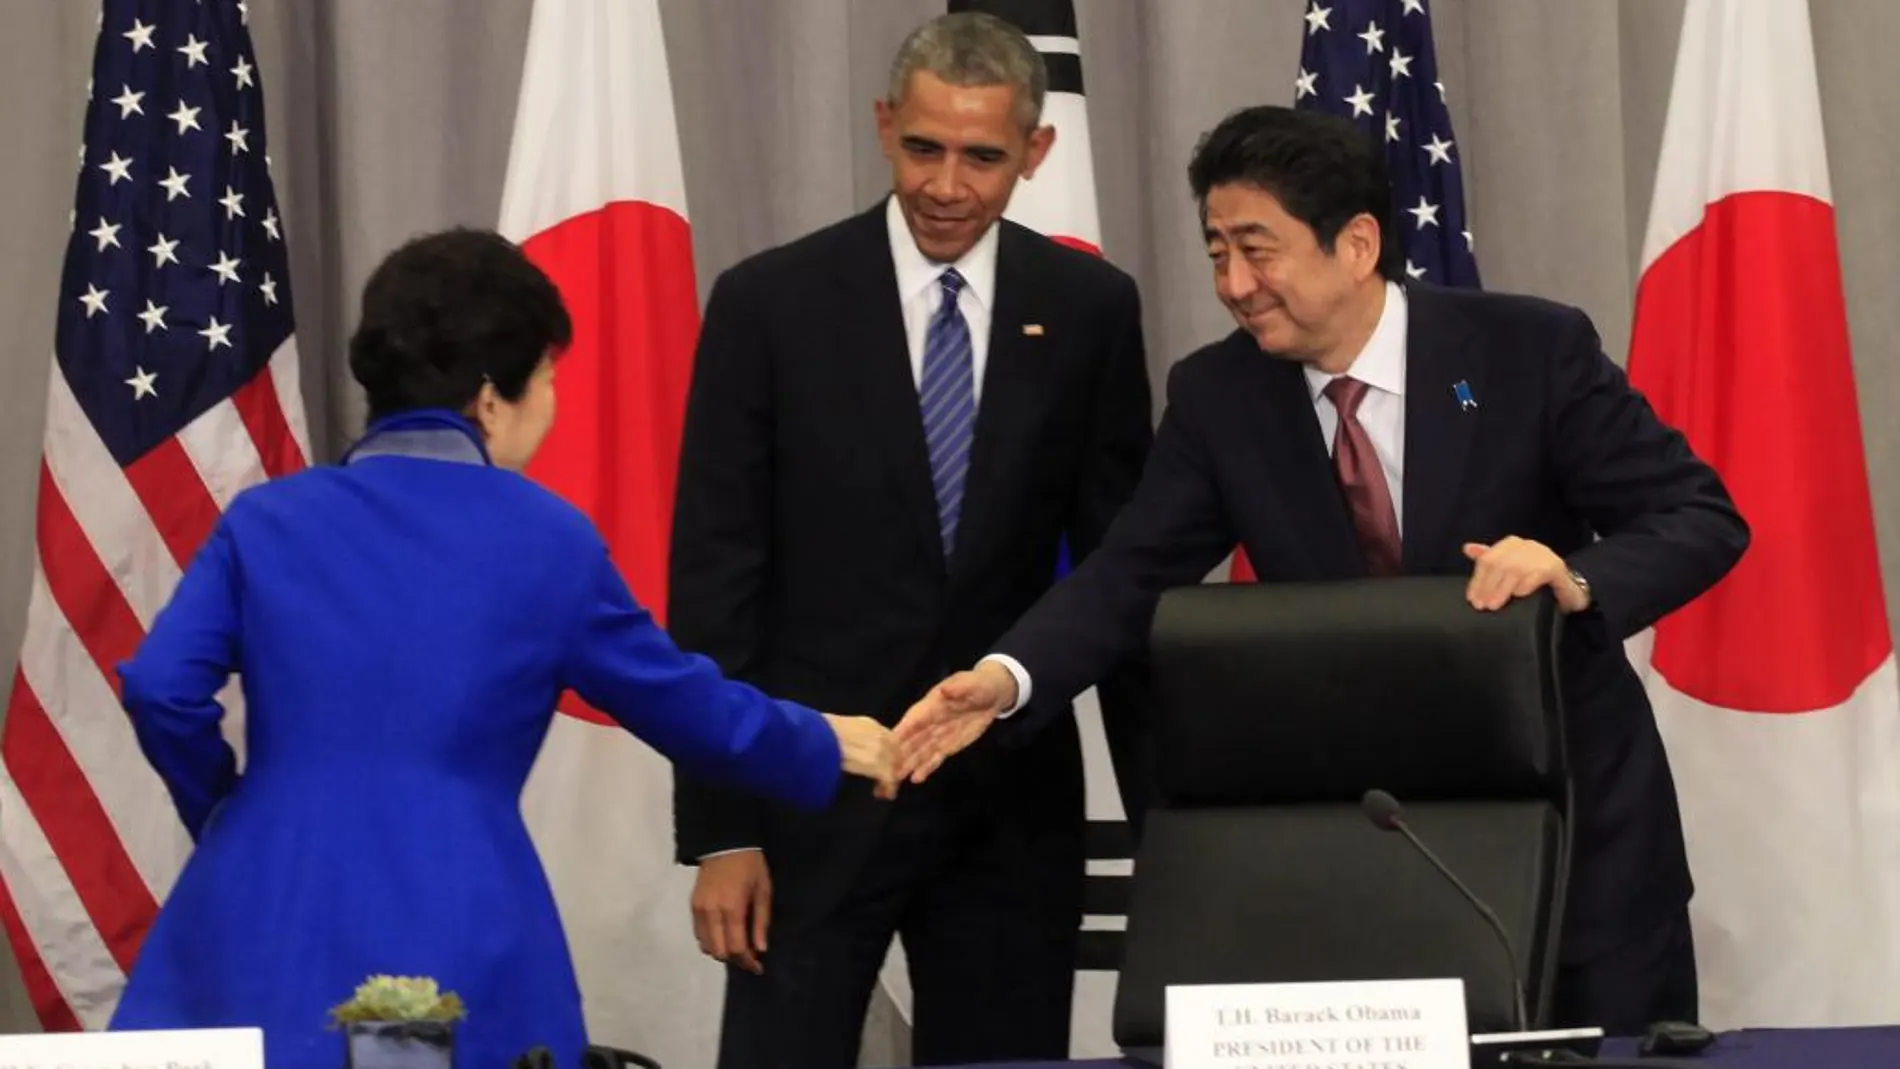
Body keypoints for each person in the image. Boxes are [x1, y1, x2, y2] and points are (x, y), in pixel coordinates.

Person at [896, 105, 1751, 1035]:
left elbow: (1698, 516)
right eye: (1217, 251)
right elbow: (1129, 571)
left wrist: (1574, 577)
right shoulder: (1221, 396)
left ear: (1356, 244)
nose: (1233, 283)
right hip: (1381, 849)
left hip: (1583, 834)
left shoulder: (1523, 354)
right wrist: (1005, 677)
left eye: (1257, 250)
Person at [106, 228, 899, 1069]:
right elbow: (686, 705)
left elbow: (161, 687)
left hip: (250, 909)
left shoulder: (268, 519)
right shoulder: (544, 537)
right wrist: (819, 738)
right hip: (449, 915)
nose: (553, 401)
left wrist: (230, 812)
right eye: (549, 376)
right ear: (491, 399)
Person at [666, 12, 1153, 1067]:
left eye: (982, 157)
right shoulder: (769, 304)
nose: (946, 185)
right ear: (885, 126)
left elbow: (1121, 578)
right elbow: (715, 578)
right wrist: (722, 827)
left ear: (1036, 151)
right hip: (805, 800)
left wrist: (1168, 823)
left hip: (1008, 812)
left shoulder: (1088, 310)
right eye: (923, 148)